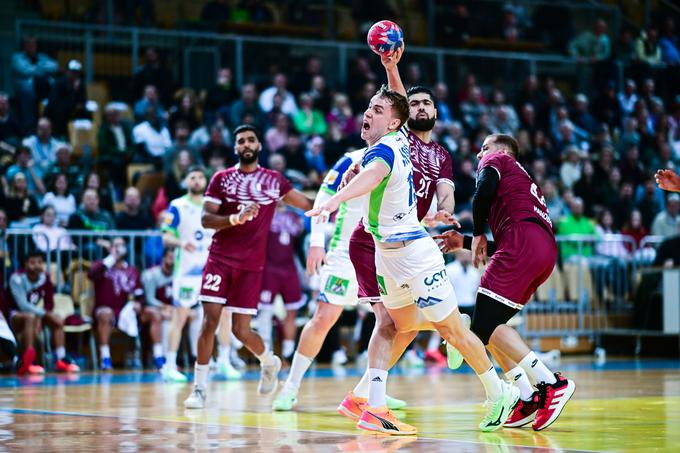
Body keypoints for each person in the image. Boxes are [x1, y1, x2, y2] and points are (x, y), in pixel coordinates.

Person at [308, 85, 518, 435]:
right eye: (369, 107)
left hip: (416, 254)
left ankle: (498, 393)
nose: (368, 113)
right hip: (385, 254)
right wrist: (390, 68)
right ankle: (374, 407)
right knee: (392, 326)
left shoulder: (389, 149)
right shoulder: (387, 145)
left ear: (393, 124)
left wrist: (333, 202)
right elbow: (394, 120)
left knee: (452, 330)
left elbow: (375, 173)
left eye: (376, 110)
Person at [436, 134, 576, 431]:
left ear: (501, 151)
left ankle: (550, 383)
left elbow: (482, 192)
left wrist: (473, 232)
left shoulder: (498, 160)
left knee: (479, 328)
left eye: (483, 148)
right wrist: (463, 242)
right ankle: (526, 395)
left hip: (522, 247)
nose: (479, 156)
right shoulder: (522, 186)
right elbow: (508, 235)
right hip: (539, 251)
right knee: (489, 328)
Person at [183, 125, 313, 409]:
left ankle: (269, 361)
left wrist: (342, 196)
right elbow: (206, 219)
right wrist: (234, 219)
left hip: (252, 266)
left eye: (251, 139)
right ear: (235, 148)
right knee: (210, 322)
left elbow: (308, 205)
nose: (246, 144)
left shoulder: (275, 181)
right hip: (219, 259)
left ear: (259, 146)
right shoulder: (221, 179)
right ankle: (199, 388)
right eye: (240, 140)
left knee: (242, 331)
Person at [272, 149, 406, 412]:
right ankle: (290, 387)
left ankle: (371, 390)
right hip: (345, 253)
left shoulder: (403, 156)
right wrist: (315, 242)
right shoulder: (351, 157)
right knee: (323, 318)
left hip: (384, 253)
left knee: (393, 323)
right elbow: (323, 197)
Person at [160, 166, 241, 382]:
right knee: (180, 316)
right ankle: (169, 365)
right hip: (187, 271)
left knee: (224, 313)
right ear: (186, 181)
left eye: (200, 177)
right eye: (192, 177)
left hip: (213, 269)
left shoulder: (216, 206)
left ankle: (224, 361)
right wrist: (180, 242)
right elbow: (165, 237)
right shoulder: (177, 206)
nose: (197, 180)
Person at [88, 237, 162, 370]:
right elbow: (91, 274)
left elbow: (140, 294)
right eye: (116, 245)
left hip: (128, 311)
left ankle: (159, 357)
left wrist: (139, 304)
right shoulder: (102, 266)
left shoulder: (132, 270)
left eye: (121, 245)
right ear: (110, 248)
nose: (119, 248)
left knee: (154, 313)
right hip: (107, 310)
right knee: (105, 314)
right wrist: (111, 257)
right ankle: (105, 358)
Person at [8, 250, 79, 374]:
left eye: (40, 262)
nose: (36, 266)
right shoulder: (17, 278)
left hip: (36, 314)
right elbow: (23, 305)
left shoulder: (44, 277)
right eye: (32, 262)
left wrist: (42, 316)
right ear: (25, 264)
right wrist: (42, 315)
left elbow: (49, 303)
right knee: (30, 317)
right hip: (15, 314)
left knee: (57, 319)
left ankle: (61, 359)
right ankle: (29, 362)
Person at [257, 202, 305, 361]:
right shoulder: (264, 214)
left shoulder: (295, 217)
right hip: (268, 268)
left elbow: (299, 245)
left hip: (289, 268)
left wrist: (305, 267)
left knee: (292, 311)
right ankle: (264, 352)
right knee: (265, 310)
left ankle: (289, 352)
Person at [141, 247, 175, 370]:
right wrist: (165, 307)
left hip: (170, 310)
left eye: (175, 258)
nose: (173, 261)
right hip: (148, 309)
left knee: (173, 317)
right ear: (163, 258)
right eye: (170, 257)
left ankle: (170, 358)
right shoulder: (151, 274)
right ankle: (158, 355)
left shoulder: (179, 274)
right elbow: (150, 300)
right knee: (159, 316)